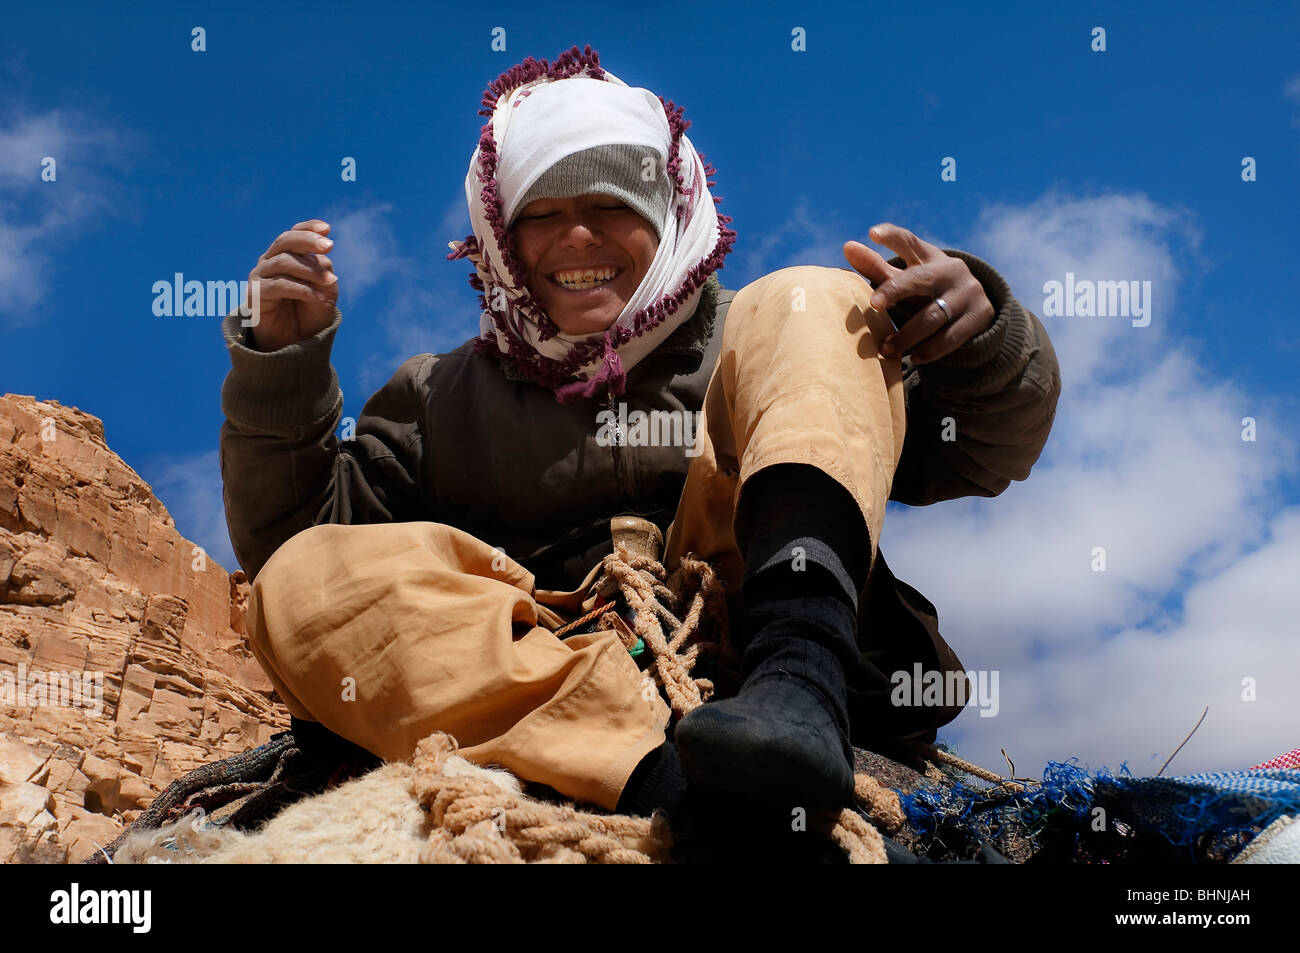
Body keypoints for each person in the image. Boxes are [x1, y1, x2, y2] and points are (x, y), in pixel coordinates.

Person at [219, 46, 1060, 833]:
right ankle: (672, 788)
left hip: (741, 625)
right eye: (540, 215)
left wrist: (982, 345)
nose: (575, 238)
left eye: (610, 206)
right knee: (291, 579)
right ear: (502, 239)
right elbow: (293, 549)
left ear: (667, 211)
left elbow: (982, 452)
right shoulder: (436, 397)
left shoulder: (759, 338)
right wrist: (280, 366)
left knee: (814, 297)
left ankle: (796, 690)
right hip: (554, 673)